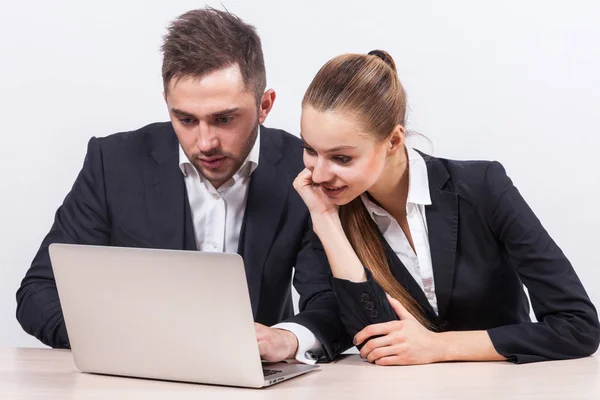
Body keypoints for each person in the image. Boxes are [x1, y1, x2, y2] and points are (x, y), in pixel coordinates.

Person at [16, 8, 350, 363]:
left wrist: (287, 339)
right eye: (186, 119)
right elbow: (39, 292)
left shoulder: (303, 169)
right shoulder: (112, 163)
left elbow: (334, 301)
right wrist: (126, 339)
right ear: (167, 104)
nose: (205, 142)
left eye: (224, 119)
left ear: (264, 105)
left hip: (257, 384)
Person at [293, 49, 600, 364]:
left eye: (341, 158)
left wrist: (438, 347)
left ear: (394, 141)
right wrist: (327, 220)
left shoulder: (483, 187)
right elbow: (374, 340)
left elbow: (578, 327)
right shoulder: (326, 206)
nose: (318, 174)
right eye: (309, 150)